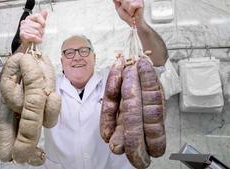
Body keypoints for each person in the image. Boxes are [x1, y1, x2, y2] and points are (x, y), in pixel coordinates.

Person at [14, 0, 168, 168]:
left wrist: (139, 23)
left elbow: (158, 61)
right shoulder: (47, 84)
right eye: (69, 53)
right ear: (62, 61)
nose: (77, 57)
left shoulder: (119, 76)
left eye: (84, 50)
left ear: (95, 58)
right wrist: (26, 43)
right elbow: (11, 83)